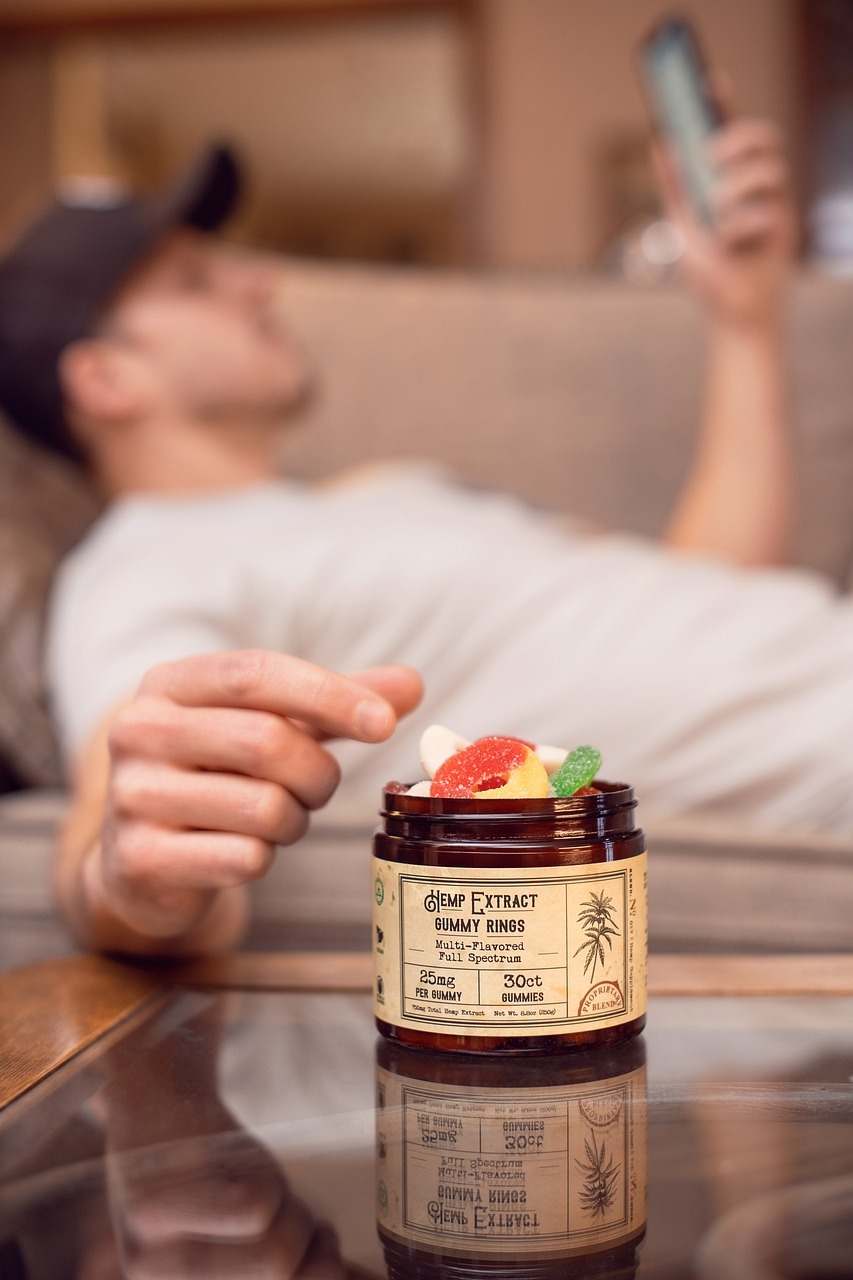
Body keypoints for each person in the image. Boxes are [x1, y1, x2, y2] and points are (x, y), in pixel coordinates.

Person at [0, 116, 831, 963]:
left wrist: (744, 321)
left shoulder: (390, 490)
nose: (257, 282)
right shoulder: (141, 564)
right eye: (194, 280)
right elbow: (120, 828)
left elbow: (707, 592)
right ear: (104, 377)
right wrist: (131, 879)